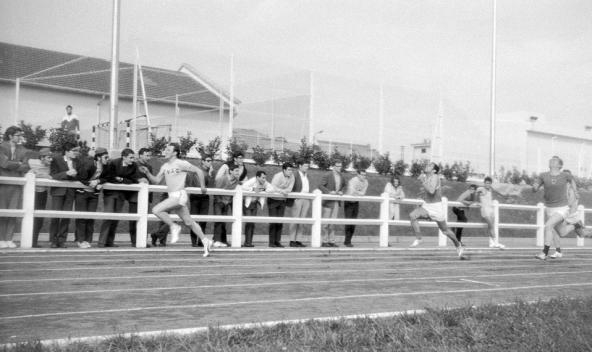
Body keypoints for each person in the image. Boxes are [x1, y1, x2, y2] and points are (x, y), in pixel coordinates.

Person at [138, 143, 213, 257]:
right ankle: (205, 241)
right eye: (166, 149)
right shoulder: (164, 166)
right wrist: (147, 173)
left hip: (179, 195)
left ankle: (174, 226)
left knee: (156, 210)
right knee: (189, 222)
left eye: (168, 150)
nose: (166, 151)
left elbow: (199, 171)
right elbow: (157, 180)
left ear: (175, 153)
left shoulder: (181, 163)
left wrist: (202, 186)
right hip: (172, 196)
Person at [408, 162, 465, 259]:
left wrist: (422, 181)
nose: (427, 165)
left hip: (436, 207)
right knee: (413, 216)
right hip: (427, 206)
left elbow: (431, 191)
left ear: (434, 170)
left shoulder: (435, 176)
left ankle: (458, 245)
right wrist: (421, 196)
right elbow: (427, 192)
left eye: (430, 165)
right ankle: (419, 238)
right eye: (428, 164)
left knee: (445, 231)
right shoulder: (426, 177)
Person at [533, 156, 578, 260]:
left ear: (559, 165)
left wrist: (575, 191)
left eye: (555, 160)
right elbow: (536, 185)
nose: (552, 160)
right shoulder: (543, 175)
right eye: (551, 159)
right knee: (561, 232)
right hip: (550, 208)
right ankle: (575, 226)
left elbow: (572, 180)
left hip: (562, 208)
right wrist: (534, 187)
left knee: (548, 226)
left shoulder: (565, 175)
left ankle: (544, 253)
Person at [97, 148, 141, 247]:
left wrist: (120, 179)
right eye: (130, 158)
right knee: (108, 217)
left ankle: (109, 242)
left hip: (121, 194)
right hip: (110, 194)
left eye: (133, 158)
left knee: (115, 219)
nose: (132, 160)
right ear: (123, 157)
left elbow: (134, 180)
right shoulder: (113, 163)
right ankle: (101, 242)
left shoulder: (134, 165)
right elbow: (108, 177)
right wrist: (121, 180)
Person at [547, 169, 591, 258]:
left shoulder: (572, 189)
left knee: (582, 234)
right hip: (565, 215)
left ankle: (576, 225)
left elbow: (570, 203)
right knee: (554, 228)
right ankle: (558, 251)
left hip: (572, 217)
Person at [0, 126, 29, 249]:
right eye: (17, 135)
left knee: (13, 212)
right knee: (2, 211)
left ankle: (9, 238)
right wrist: (18, 163)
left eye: (20, 135)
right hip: (3, 184)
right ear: (10, 136)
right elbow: (3, 163)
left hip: (16, 184)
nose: (20, 137)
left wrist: (15, 165)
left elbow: (26, 166)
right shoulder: (1, 147)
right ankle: (1, 239)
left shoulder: (23, 149)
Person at [74, 147, 109, 248]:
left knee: (90, 218)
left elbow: (107, 177)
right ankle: (80, 240)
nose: (107, 159)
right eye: (105, 157)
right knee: (82, 217)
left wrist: (98, 182)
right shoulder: (88, 164)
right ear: (98, 158)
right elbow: (80, 178)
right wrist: (91, 183)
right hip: (82, 192)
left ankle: (88, 240)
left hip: (94, 194)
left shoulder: (106, 166)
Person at [49, 142, 80, 248]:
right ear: (67, 151)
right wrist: (66, 173)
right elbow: (53, 175)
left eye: (77, 151)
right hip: (58, 191)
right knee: (56, 216)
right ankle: (53, 240)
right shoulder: (56, 159)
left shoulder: (77, 161)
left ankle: (62, 240)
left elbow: (80, 176)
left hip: (70, 192)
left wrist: (75, 175)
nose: (77, 153)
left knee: (66, 217)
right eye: (74, 151)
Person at [241, 170, 276, 247]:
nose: (264, 179)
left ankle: (248, 242)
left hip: (254, 204)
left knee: (252, 223)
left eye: (265, 178)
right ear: (257, 177)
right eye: (263, 177)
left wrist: (263, 190)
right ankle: (247, 242)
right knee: (249, 222)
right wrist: (253, 189)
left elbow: (272, 189)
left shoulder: (264, 182)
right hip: (247, 204)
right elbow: (243, 187)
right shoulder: (252, 181)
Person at [27, 148, 54, 247]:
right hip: (32, 194)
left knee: (39, 218)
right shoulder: (32, 163)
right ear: (42, 157)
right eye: (48, 157)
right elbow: (27, 174)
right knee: (31, 217)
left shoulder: (50, 166)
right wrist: (44, 176)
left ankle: (34, 241)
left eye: (51, 157)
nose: (51, 159)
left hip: (43, 193)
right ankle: (29, 241)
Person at [212, 163, 242, 247]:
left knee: (224, 222)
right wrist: (219, 201)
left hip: (226, 203)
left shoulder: (236, 181)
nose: (238, 173)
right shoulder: (222, 179)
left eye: (238, 171)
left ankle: (222, 240)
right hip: (219, 202)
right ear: (230, 171)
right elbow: (215, 191)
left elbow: (241, 186)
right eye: (236, 171)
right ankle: (216, 241)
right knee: (218, 221)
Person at [475, 177, 508, 249]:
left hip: (490, 210)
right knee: (491, 226)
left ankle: (491, 243)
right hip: (484, 210)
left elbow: (497, 192)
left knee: (491, 226)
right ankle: (496, 243)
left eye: (489, 183)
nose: (488, 184)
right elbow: (474, 192)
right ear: (484, 183)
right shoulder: (480, 189)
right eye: (486, 183)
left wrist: (504, 196)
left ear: (490, 184)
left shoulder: (490, 189)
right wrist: (476, 202)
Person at [189, 156, 214, 247]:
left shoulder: (210, 172)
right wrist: (209, 175)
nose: (210, 162)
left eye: (211, 160)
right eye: (208, 160)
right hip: (195, 197)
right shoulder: (197, 170)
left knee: (203, 220)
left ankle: (201, 240)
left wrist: (210, 175)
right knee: (194, 219)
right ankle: (193, 241)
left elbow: (211, 186)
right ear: (202, 162)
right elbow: (199, 185)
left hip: (205, 198)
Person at [268, 162, 295, 247]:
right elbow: (273, 187)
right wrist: (282, 191)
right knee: (273, 221)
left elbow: (290, 188)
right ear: (284, 170)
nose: (290, 171)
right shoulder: (278, 176)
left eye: (291, 170)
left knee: (280, 222)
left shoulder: (292, 177)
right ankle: (271, 242)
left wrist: (286, 191)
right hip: (273, 200)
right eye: (289, 170)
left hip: (282, 201)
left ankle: (277, 241)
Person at [319, 160, 345, 247]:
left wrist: (341, 191)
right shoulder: (328, 175)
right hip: (328, 202)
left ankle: (332, 241)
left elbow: (343, 185)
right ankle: (324, 241)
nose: (339, 168)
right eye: (337, 166)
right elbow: (320, 185)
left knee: (333, 222)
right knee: (326, 222)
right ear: (333, 166)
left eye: (340, 166)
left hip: (336, 202)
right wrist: (329, 192)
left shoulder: (341, 176)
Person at [286, 160, 311, 247]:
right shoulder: (295, 174)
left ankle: (298, 240)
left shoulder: (307, 175)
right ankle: (292, 240)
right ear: (300, 166)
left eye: (307, 166)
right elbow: (290, 185)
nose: (306, 168)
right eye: (305, 166)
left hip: (306, 199)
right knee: (295, 219)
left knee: (302, 221)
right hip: (298, 199)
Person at [343, 169, 368, 247]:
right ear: (358, 174)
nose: (363, 176)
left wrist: (357, 193)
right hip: (348, 201)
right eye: (362, 175)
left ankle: (349, 240)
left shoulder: (366, 182)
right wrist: (358, 193)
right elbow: (351, 192)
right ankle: (347, 241)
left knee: (353, 222)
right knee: (348, 221)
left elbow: (363, 193)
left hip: (356, 202)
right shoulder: (353, 181)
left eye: (365, 175)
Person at [384, 175, 406, 243]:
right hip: (388, 207)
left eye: (397, 181)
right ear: (392, 181)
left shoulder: (399, 187)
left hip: (395, 207)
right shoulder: (389, 185)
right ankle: (385, 241)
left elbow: (402, 196)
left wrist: (397, 196)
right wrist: (397, 195)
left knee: (390, 224)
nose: (396, 182)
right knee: (386, 223)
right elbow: (388, 193)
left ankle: (387, 241)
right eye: (395, 181)